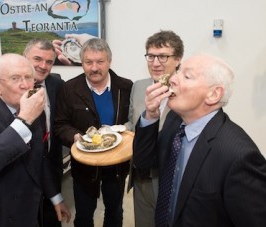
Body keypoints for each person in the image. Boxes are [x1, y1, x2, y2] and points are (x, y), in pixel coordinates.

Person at [133, 53, 266, 227]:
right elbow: (143, 162)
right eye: (178, 72)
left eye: (186, 76)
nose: (172, 79)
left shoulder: (239, 157)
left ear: (213, 94)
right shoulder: (174, 119)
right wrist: (151, 115)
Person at [0, 53, 71, 227]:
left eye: (28, 78)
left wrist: (55, 197)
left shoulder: (32, 110)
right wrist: (24, 120)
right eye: (15, 78)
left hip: (28, 209)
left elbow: (39, 158)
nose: (24, 85)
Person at [54, 38, 133, 227]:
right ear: (82, 63)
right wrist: (75, 137)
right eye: (88, 62)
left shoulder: (126, 87)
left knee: (114, 211)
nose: (94, 68)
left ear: (110, 61)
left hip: (116, 165)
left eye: (100, 61)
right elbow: (60, 124)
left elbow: (132, 120)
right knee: (83, 214)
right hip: (84, 165)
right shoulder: (69, 89)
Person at [125, 30, 184, 227]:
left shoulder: (188, 91)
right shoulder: (139, 86)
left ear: (178, 59)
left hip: (171, 179)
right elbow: (133, 124)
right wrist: (113, 130)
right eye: (151, 56)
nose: (155, 63)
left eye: (163, 56)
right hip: (141, 176)